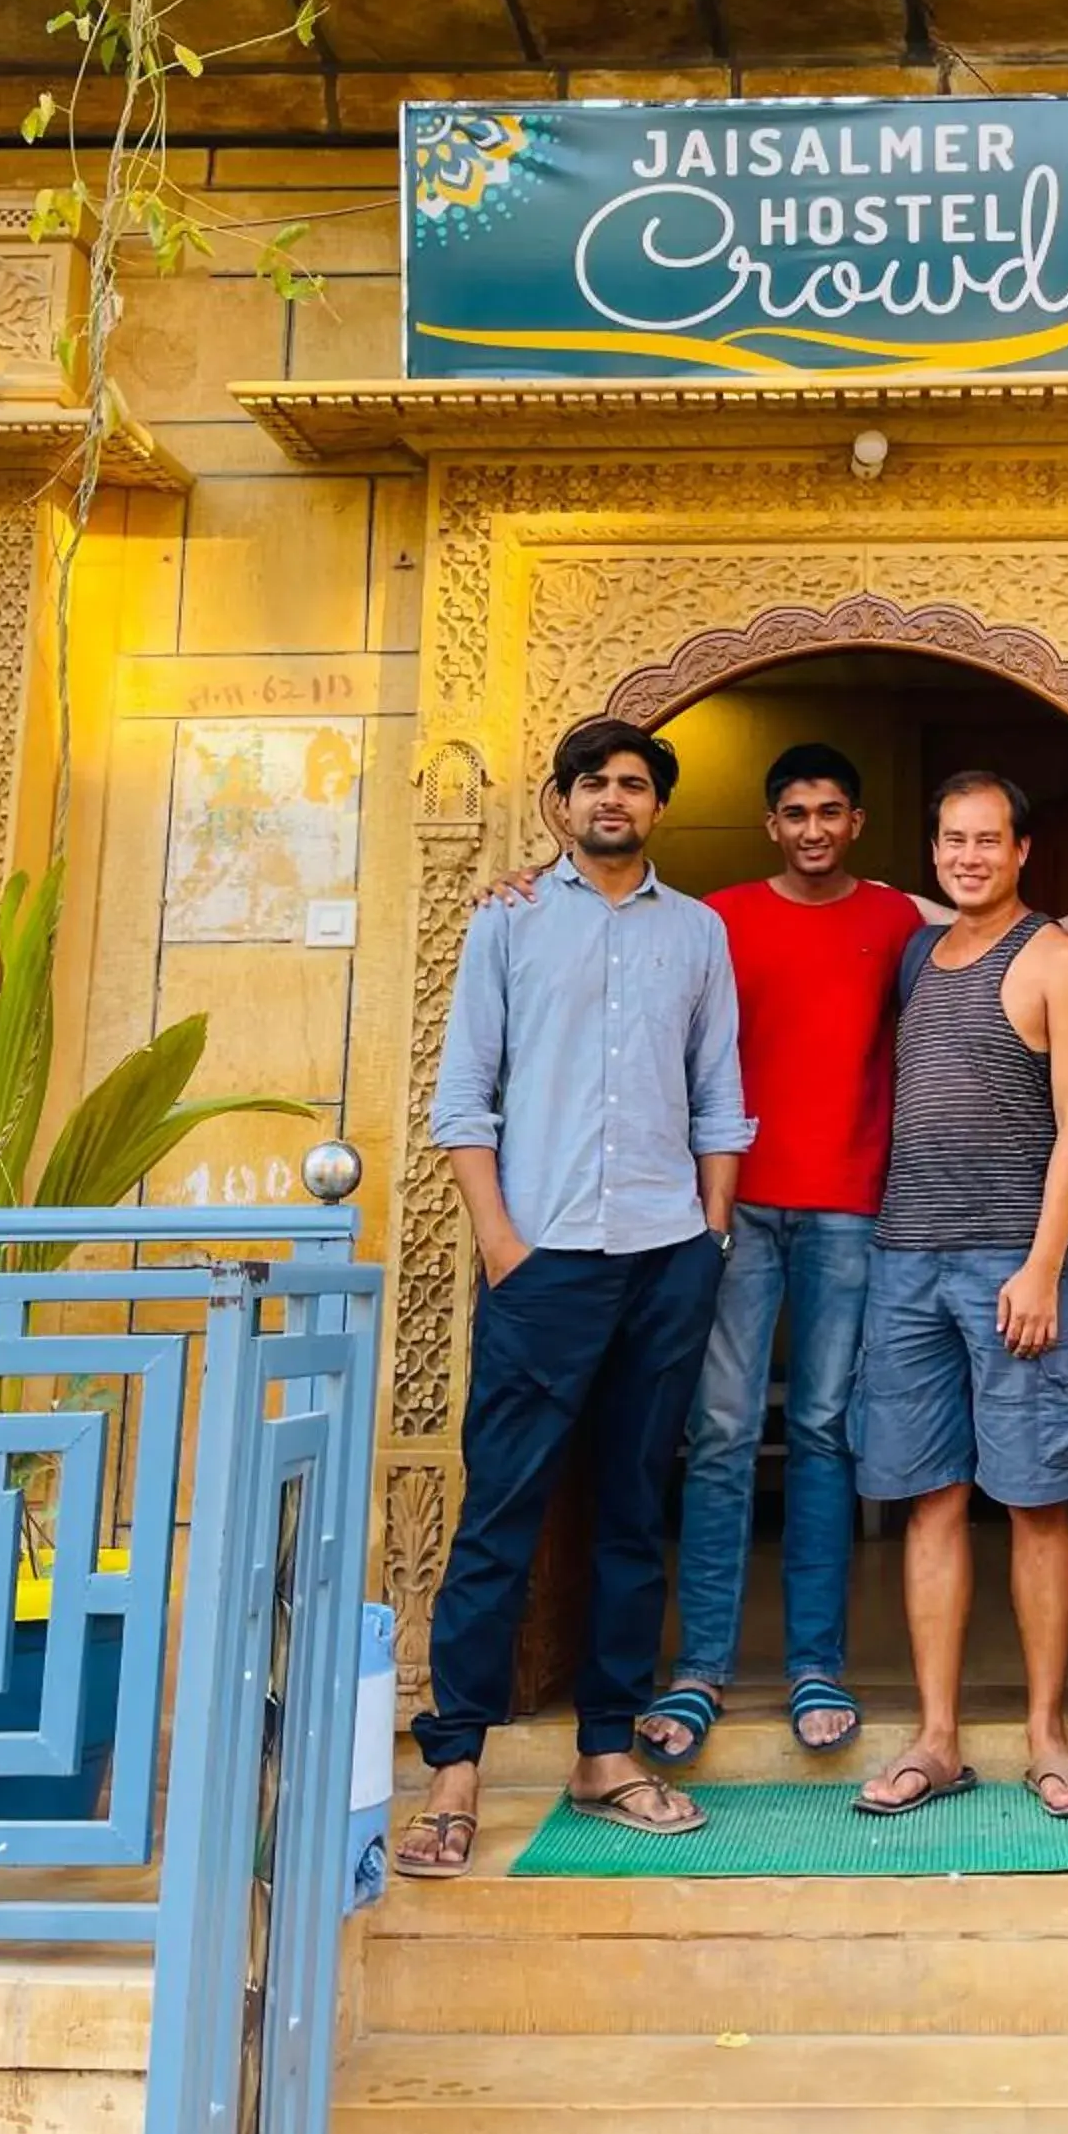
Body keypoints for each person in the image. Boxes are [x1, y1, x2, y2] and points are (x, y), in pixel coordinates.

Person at [395, 717, 752, 1871]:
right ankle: (454, 1771)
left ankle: (607, 1751)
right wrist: (504, 1244)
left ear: (657, 807)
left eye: (634, 784)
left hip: (665, 1256)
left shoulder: (696, 935)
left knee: (633, 1512)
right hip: (542, 1259)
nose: (613, 798)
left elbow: (719, 1093)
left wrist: (709, 1232)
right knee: (501, 1514)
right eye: (593, 782)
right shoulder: (506, 920)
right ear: (559, 804)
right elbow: (463, 1097)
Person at [636, 744, 929, 1770]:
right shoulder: (718, 918)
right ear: (773, 825)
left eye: (831, 812)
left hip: (851, 1204)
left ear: (857, 823)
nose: (813, 828)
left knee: (822, 1431)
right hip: (736, 1206)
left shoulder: (896, 919)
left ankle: (818, 1665)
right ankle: (701, 1667)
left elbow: (999, 926)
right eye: (795, 812)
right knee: (717, 1433)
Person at [853, 770, 1068, 1821]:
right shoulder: (921, 951)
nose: (967, 856)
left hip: (1016, 1265)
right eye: (951, 839)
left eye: (987, 841)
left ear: (1023, 853)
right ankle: (937, 1739)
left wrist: (1046, 1264)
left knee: (1036, 1500)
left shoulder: (1058, 961)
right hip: (905, 1259)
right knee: (931, 1500)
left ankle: (1047, 1738)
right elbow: (864, 895)